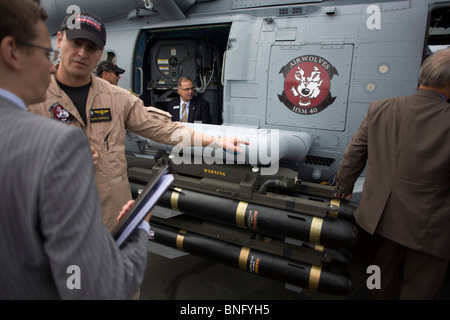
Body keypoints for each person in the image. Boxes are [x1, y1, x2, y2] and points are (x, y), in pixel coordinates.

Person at [28, 11, 246, 233]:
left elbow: (165, 130)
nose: (82, 53)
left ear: (101, 53)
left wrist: (216, 141)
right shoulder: (29, 97)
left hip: (112, 223)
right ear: (60, 40)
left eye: (91, 47)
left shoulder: (117, 98)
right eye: (76, 43)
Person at [0, 0, 150, 299]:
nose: (50, 64)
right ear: (12, 52)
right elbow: (93, 284)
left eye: (90, 47)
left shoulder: (115, 97)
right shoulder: (57, 144)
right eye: (46, 54)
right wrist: (141, 234)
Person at [335, 48, 450, 300]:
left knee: (380, 268)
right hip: (430, 226)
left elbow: (353, 154)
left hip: (381, 216)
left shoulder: (381, 108)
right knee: (421, 283)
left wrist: (342, 187)